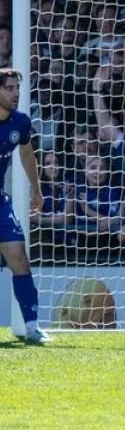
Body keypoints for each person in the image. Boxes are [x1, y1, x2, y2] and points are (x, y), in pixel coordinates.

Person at [0, 69, 49, 343]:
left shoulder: (20, 122)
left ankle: (32, 328)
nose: (16, 93)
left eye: (17, 88)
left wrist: (37, 191)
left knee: (19, 258)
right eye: (9, 88)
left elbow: (27, 155)